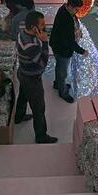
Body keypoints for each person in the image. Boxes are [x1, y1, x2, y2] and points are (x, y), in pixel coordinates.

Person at [15, 11, 58, 144]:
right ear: (34, 28)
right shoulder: (30, 46)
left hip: (23, 72)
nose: (44, 26)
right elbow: (43, 62)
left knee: (23, 96)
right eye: (42, 24)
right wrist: (45, 42)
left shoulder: (23, 32)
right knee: (39, 108)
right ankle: (41, 136)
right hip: (31, 79)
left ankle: (19, 117)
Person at [50, 0, 89, 103]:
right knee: (63, 71)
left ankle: (57, 84)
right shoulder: (65, 18)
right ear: (70, 6)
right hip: (62, 48)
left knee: (59, 66)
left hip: (58, 44)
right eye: (76, 9)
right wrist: (82, 51)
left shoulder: (65, 9)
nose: (77, 12)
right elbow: (68, 41)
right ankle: (63, 93)